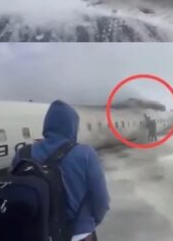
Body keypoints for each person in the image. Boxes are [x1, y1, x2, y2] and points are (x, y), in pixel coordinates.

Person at [11, 100, 110, 241]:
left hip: (35, 233)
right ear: (72, 126)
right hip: (78, 234)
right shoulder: (85, 153)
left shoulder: (23, 154)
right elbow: (102, 201)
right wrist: (89, 224)